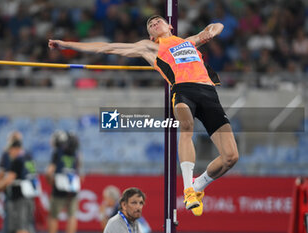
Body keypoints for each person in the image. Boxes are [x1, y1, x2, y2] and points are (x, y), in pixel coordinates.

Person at [48, 15, 239, 216]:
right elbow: (107, 47)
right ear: (150, 34)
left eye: (158, 21)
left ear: (170, 25)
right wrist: (66, 44)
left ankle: (197, 185)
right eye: (151, 24)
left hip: (209, 93)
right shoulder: (149, 47)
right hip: (183, 90)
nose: (155, 24)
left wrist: (211, 32)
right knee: (186, 126)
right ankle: (188, 189)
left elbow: (218, 25)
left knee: (230, 157)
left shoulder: (189, 41)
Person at [0, 139, 38, 233]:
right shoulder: (29, 159)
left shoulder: (17, 160)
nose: (9, 153)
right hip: (29, 197)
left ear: (16, 149)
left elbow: (9, 178)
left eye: (11, 150)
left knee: (20, 227)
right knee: (27, 225)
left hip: (19, 199)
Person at [45, 130, 83, 233]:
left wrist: (49, 181)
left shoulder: (57, 152)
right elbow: (79, 171)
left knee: (53, 216)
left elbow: (49, 172)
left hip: (59, 187)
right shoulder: (76, 154)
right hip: (72, 187)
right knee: (72, 215)